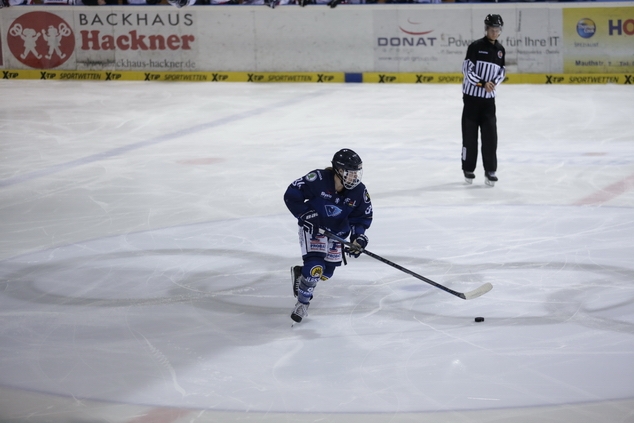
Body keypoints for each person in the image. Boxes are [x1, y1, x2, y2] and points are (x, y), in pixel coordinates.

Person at [284, 149, 373, 323]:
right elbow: (292, 194)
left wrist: (358, 237)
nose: (355, 177)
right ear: (339, 170)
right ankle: (302, 303)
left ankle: (301, 274)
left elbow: (361, 217)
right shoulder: (318, 179)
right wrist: (306, 214)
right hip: (315, 230)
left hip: (336, 234)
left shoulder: (359, 192)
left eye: (357, 172)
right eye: (351, 172)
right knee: (315, 268)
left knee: (326, 273)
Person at [461, 14, 506, 187]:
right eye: (492, 29)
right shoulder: (475, 46)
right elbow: (467, 70)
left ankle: (490, 170)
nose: (495, 32)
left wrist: (493, 83)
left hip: (488, 102)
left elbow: (502, 72)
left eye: (497, 30)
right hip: (472, 99)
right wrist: (482, 83)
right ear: (486, 29)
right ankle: (468, 168)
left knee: (490, 137)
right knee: (470, 137)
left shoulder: (500, 50)